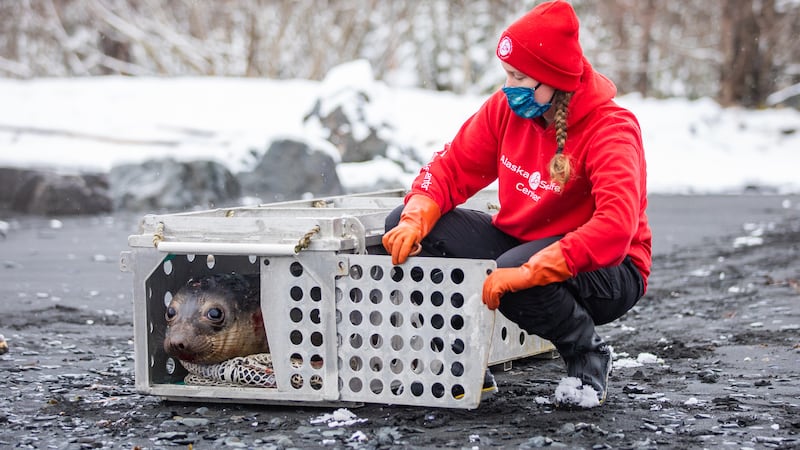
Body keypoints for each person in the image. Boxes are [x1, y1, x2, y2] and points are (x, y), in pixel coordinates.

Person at [382, 0, 651, 408]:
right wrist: (415, 217)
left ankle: (586, 357)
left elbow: (615, 228)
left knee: (516, 272)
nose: (509, 86)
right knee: (405, 227)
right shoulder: (506, 109)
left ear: (554, 79)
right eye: (507, 74)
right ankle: (463, 362)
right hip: (522, 242)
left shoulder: (611, 129)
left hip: (611, 269)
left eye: (519, 77)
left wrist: (531, 270)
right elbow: (452, 168)